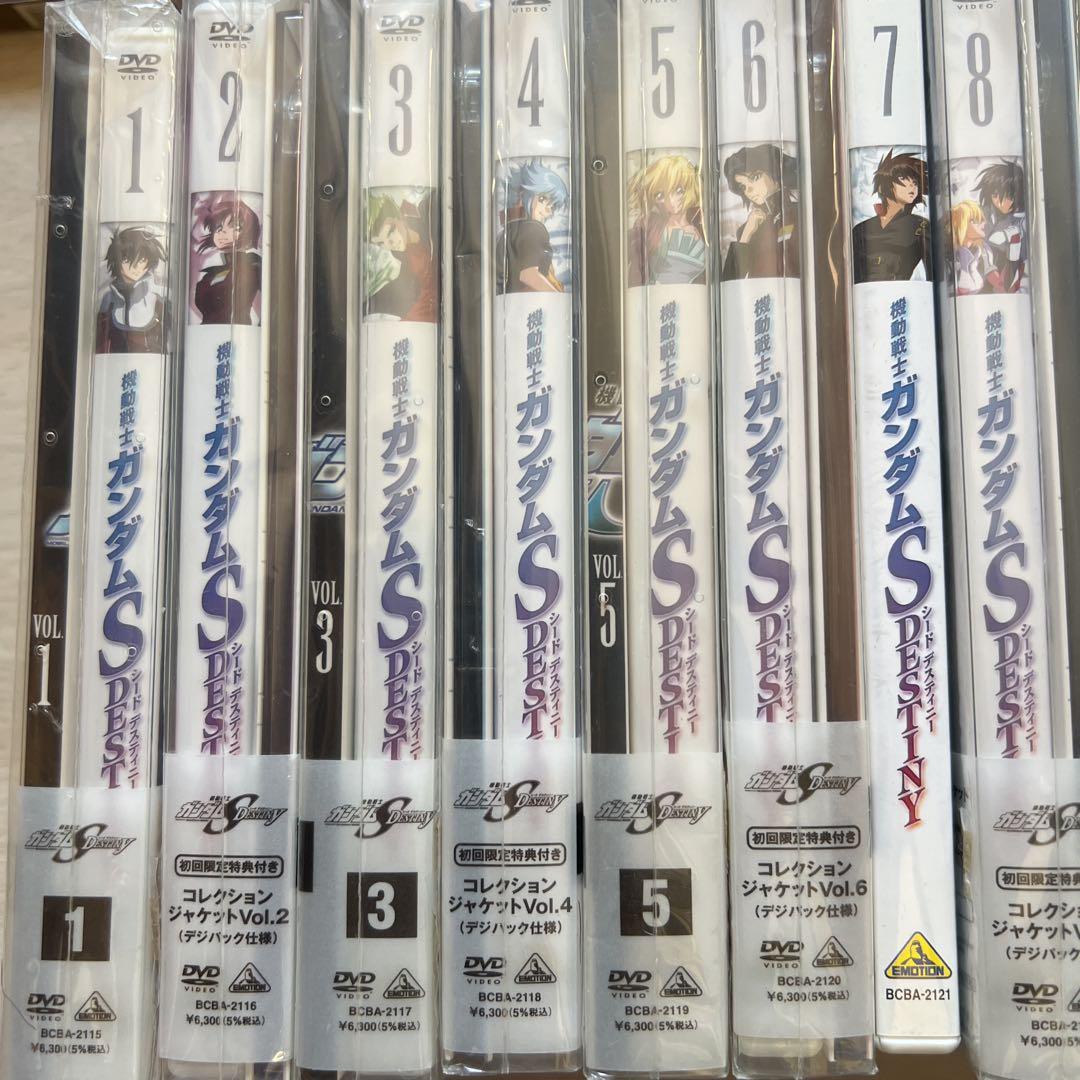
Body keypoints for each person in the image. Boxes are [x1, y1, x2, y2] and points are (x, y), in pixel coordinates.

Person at [721, 144, 799, 280]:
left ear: (776, 174)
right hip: (754, 292)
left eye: (755, 177)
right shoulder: (746, 229)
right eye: (743, 186)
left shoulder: (799, 213)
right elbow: (730, 281)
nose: (749, 190)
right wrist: (746, 236)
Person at [627, 154, 706, 287]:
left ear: (690, 188)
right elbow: (636, 276)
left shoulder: (702, 228)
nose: (670, 201)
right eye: (660, 195)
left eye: (679, 190)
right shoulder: (651, 229)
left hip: (693, 296)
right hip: (658, 296)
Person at [852, 150, 930, 283]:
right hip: (865, 293)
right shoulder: (860, 229)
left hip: (899, 292)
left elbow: (933, 277)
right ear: (885, 184)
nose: (912, 185)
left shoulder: (920, 226)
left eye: (915, 182)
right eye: (903, 178)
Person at [496, 160, 570, 294]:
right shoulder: (534, 229)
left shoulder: (508, 232)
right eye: (542, 199)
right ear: (523, 195)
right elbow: (528, 275)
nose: (548, 210)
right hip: (532, 301)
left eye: (552, 206)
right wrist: (557, 296)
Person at [365, 194, 437, 322]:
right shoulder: (404, 258)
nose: (390, 244)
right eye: (381, 243)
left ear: (399, 217)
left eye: (390, 232)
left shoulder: (428, 212)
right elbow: (402, 287)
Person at [192, 196, 262, 325]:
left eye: (235, 227)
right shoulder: (212, 273)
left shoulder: (253, 264)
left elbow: (275, 301)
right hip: (206, 332)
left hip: (239, 332)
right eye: (218, 228)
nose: (223, 233)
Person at [96, 227, 167, 353]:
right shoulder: (108, 299)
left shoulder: (158, 298)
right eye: (127, 260)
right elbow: (100, 342)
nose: (136, 267)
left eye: (142, 260)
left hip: (151, 361)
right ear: (117, 260)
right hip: (113, 361)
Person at [975, 160, 1027, 292]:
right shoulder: (981, 212)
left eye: (1008, 197)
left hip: (1007, 275)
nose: (1000, 202)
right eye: (995, 195)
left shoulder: (1019, 220)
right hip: (979, 276)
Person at [951, 200, 999, 295]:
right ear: (962, 224)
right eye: (977, 220)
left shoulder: (983, 248)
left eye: (982, 219)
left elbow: (992, 275)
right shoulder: (952, 251)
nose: (984, 223)